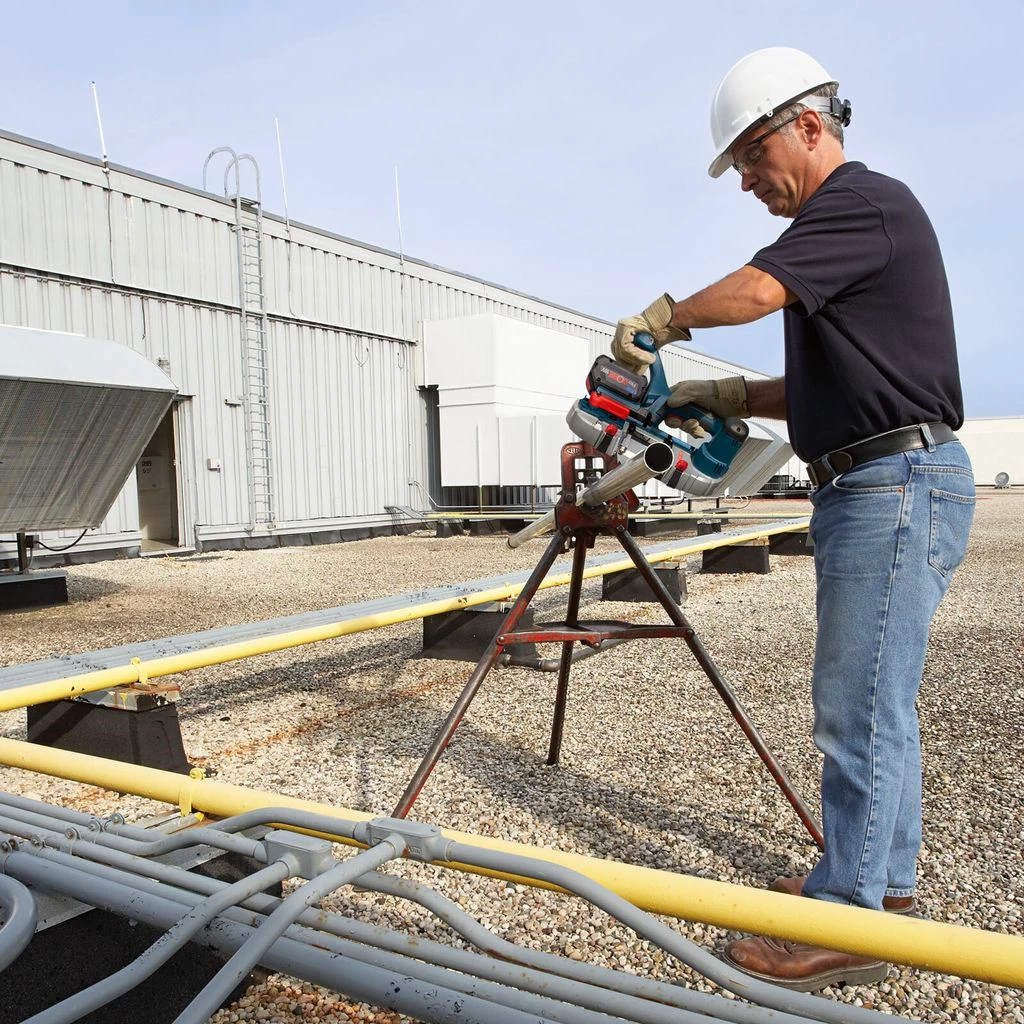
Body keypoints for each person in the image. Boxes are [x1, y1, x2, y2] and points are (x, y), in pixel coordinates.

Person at [612, 46, 975, 993]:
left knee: (856, 706)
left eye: (748, 156)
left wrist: (664, 321)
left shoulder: (856, 203)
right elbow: (829, 384)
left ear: (807, 127)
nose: (745, 181)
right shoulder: (854, 231)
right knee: (876, 702)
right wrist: (727, 389)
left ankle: (851, 917)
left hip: (893, 484)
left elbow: (756, 289)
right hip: (889, 475)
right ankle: (879, 888)